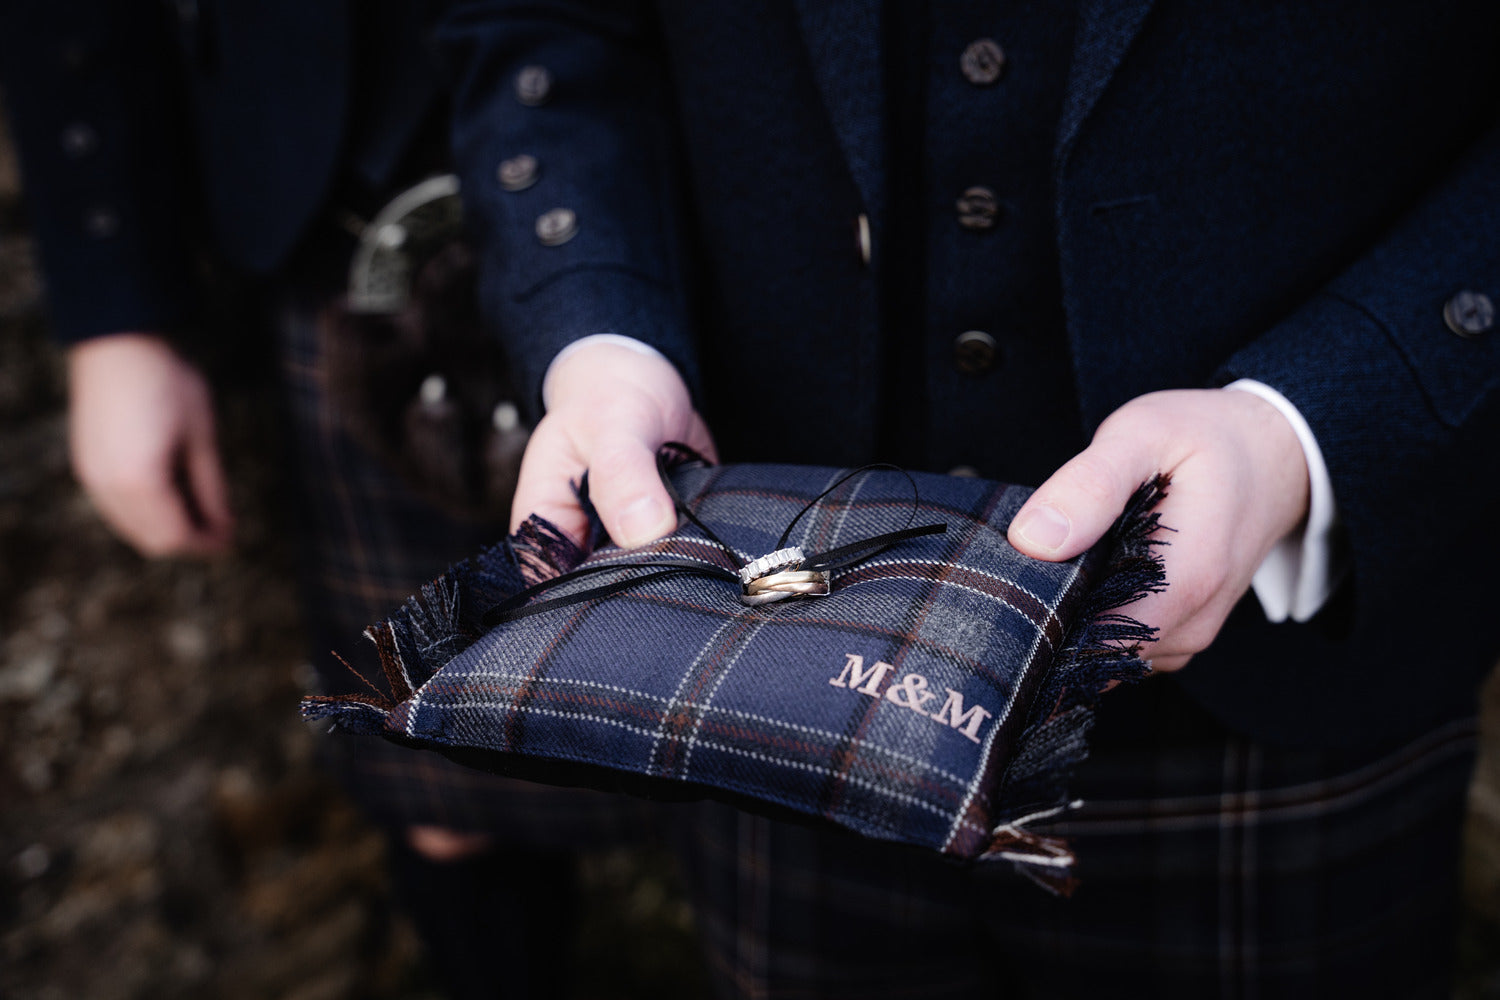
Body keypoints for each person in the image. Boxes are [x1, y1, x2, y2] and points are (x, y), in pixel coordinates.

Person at [428, 1, 1500, 996]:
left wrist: (1309, 424)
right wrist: (598, 327)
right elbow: (548, 24)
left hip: (1280, 689)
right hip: (754, 659)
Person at [0, 3, 648, 997]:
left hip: (668, 178)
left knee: (754, 722)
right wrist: (116, 311)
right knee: (436, 770)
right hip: (344, 210)